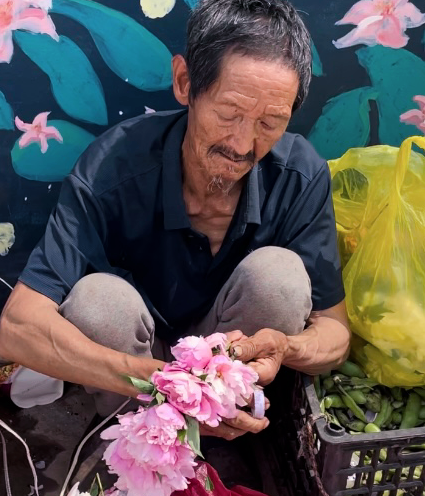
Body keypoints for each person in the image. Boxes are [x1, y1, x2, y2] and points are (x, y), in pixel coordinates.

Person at [0, 0, 350, 443]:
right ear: (185, 82)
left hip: (231, 372)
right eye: (228, 114)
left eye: (269, 122)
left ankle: (234, 429)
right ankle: (143, 440)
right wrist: (158, 383)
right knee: (97, 301)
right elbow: (17, 327)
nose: (243, 145)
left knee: (279, 277)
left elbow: (335, 335)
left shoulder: (299, 174)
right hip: (136, 377)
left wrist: (286, 346)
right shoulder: (111, 166)